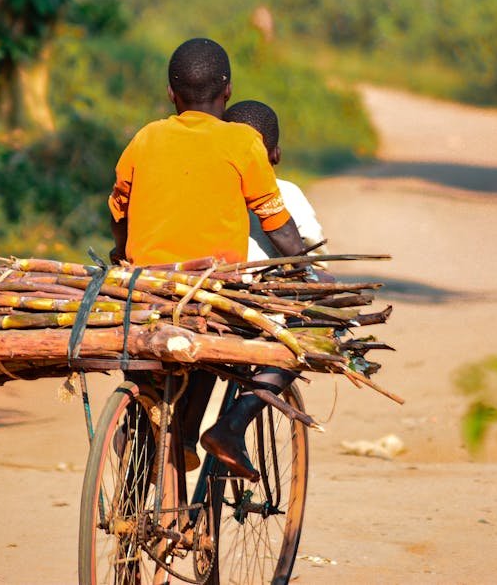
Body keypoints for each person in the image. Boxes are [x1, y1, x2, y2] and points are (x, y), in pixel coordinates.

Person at [107, 38, 307, 481]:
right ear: (228, 91)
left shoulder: (146, 137)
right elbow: (278, 225)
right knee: (287, 348)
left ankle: (143, 439)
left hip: (145, 289)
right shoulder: (241, 142)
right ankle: (228, 429)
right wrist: (310, 270)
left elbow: (119, 209)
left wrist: (121, 254)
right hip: (209, 290)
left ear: (171, 94)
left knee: (159, 366)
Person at [224, 100, 330, 266]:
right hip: (268, 285)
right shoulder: (287, 193)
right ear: (276, 155)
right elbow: (314, 252)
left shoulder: (208, 189)